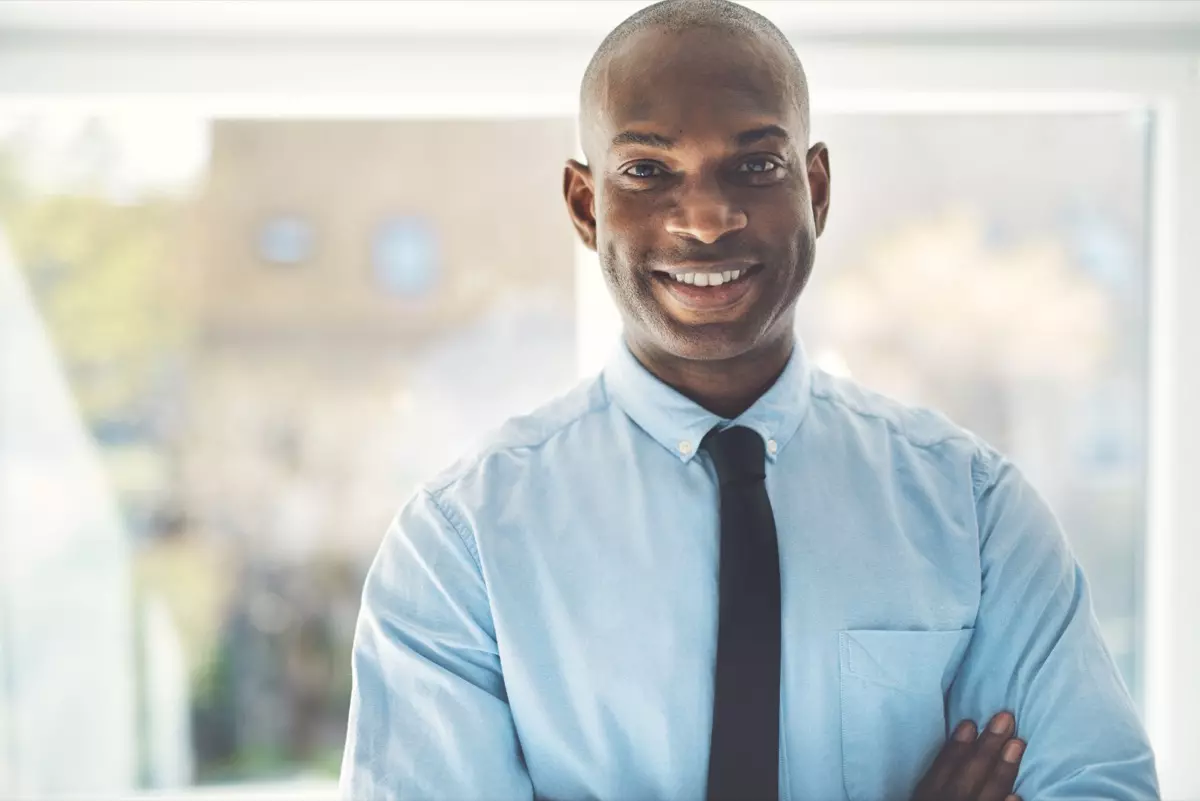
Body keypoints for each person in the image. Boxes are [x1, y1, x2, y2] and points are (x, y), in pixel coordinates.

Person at [339, 1, 1159, 799]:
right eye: (648, 169)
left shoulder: (976, 515)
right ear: (587, 206)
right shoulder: (461, 547)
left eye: (756, 164)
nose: (706, 218)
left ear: (818, 188)